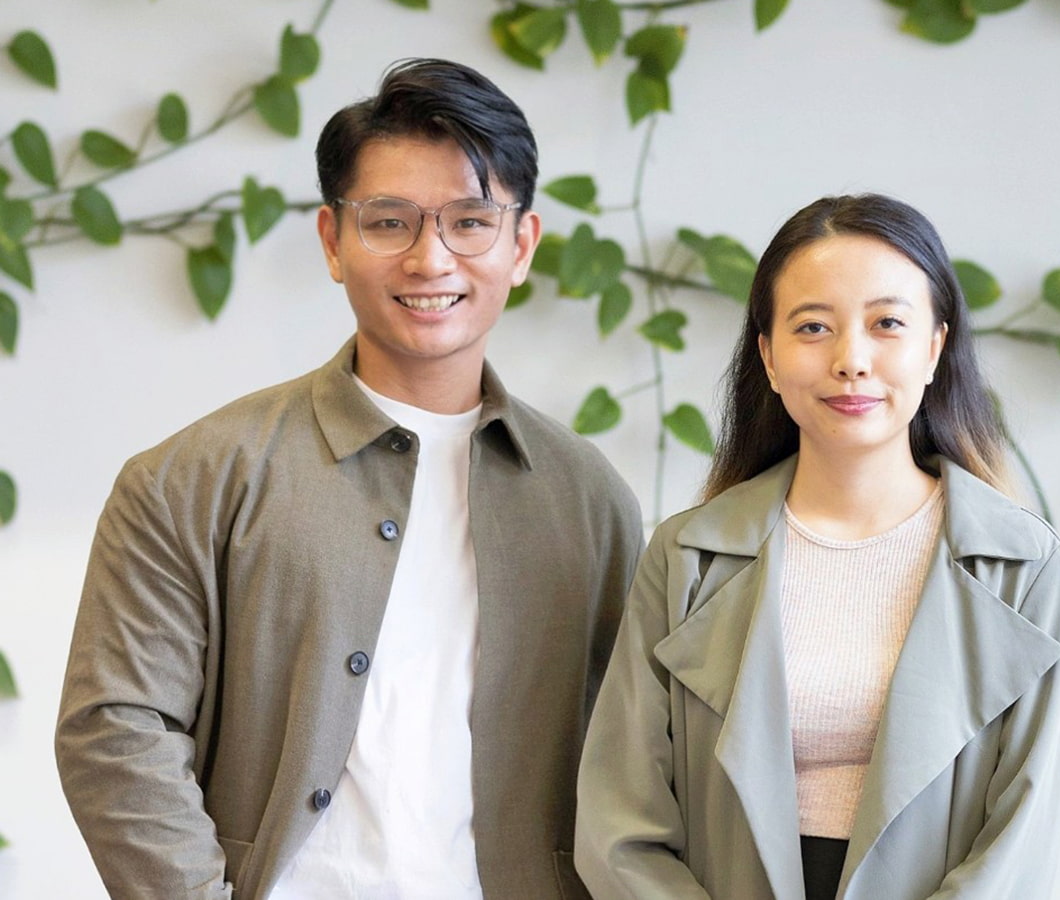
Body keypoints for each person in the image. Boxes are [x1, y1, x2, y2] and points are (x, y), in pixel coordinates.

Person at [55, 58, 643, 900]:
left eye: (470, 222)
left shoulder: (590, 500)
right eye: (389, 221)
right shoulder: (191, 478)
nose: (430, 258)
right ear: (333, 241)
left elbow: (632, 763)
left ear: (521, 245)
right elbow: (114, 729)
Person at [574, 193, 1060, 899]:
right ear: (769, 356)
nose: (851, 360)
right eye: (813, 327)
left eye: (887, 324)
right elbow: (618, 828)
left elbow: (1021, 842)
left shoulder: (1025, 566)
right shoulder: (686, 556)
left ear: (935, 347)